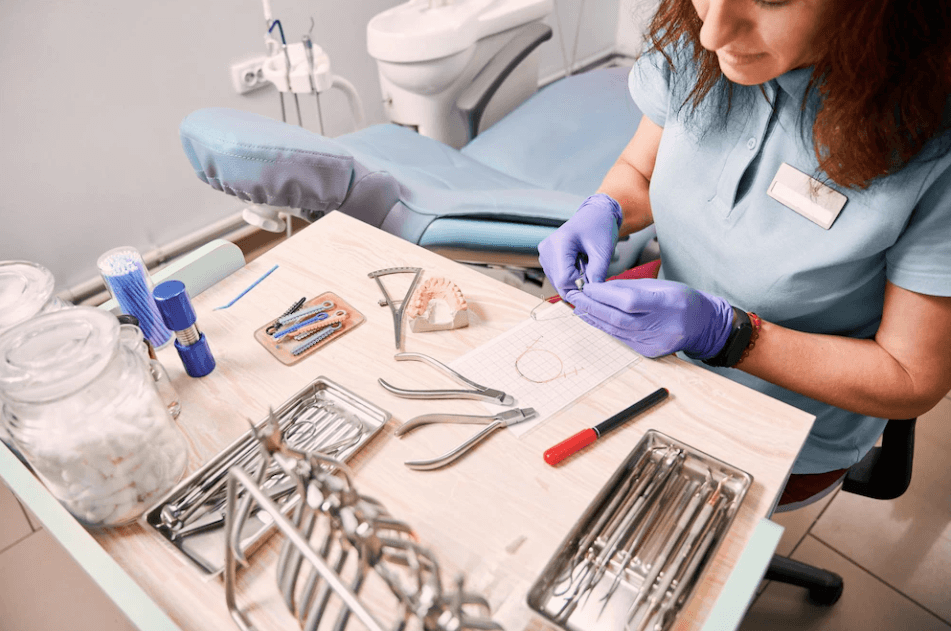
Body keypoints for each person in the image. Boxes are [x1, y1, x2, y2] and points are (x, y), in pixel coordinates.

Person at [538, 0, 951, 509]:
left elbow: (910, 377)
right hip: (656, 353)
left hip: (782, 421)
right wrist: (604, 208)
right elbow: (639, 172)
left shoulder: (936, 147)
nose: (712, 34)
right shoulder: (695, 40)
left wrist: (730, 335)